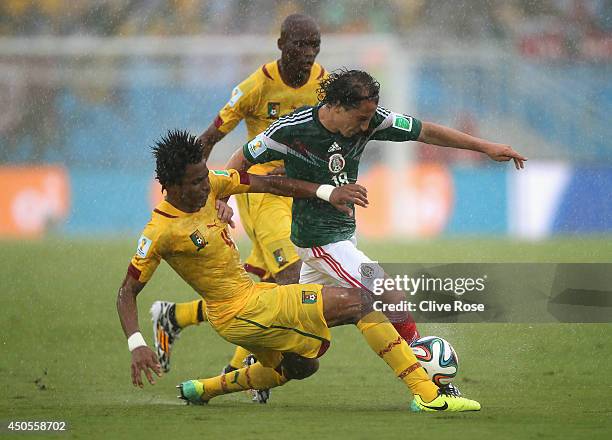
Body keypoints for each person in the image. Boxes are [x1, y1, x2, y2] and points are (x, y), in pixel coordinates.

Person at [117, 129, 481, 412]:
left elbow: (270, 184)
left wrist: (326, 192)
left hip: (255, 298)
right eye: (195, 183)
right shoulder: (160, 233)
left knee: (302, 367)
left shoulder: (212, 183)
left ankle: (204, 389)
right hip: (238, 313)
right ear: (169, 186)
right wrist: (136, 344)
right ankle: (428, 394)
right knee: (360, 303)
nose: (205, 187)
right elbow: (127, 292)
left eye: (204, 177)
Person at [224, 68, 526, 341]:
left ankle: (218, 380)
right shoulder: (290, 130)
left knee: (299, 334)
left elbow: (426, 131)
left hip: (341, 236)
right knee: (386, 290)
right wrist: (222, 199)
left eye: (370, 118)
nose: (367, 126)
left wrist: (486, 147)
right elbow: (240, 159)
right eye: (361, 119)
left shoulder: (371, 121)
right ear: (337, 107)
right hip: (319, 241)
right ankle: (425, 370)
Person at [150, 14, 327, 379]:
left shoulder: (323, 84)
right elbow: (209, 138)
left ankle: (176, 317)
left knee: (256, 283)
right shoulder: (255, 88)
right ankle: (251, 366)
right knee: (293, 277)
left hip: (295, 192)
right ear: (281, 45)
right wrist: (199, 192)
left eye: (314, 46)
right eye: (300, 45)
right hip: (260, 191)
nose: (308, 54)